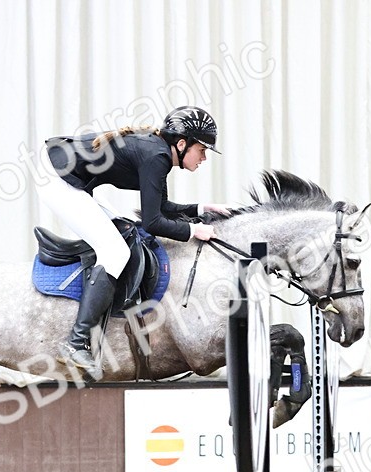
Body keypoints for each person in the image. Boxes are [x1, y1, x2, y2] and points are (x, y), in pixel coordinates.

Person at [38, 106, 231, 378]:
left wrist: (202, 209)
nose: (204, 157)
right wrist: (193, 232)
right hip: (55, 176)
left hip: (69, 174)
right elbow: (153, 223)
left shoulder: (160, 153)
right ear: (182, 143)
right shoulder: (157, 156)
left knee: (123, 232)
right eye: (202, 150)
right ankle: (76, 341)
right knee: (115, 251)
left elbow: (161, 207)